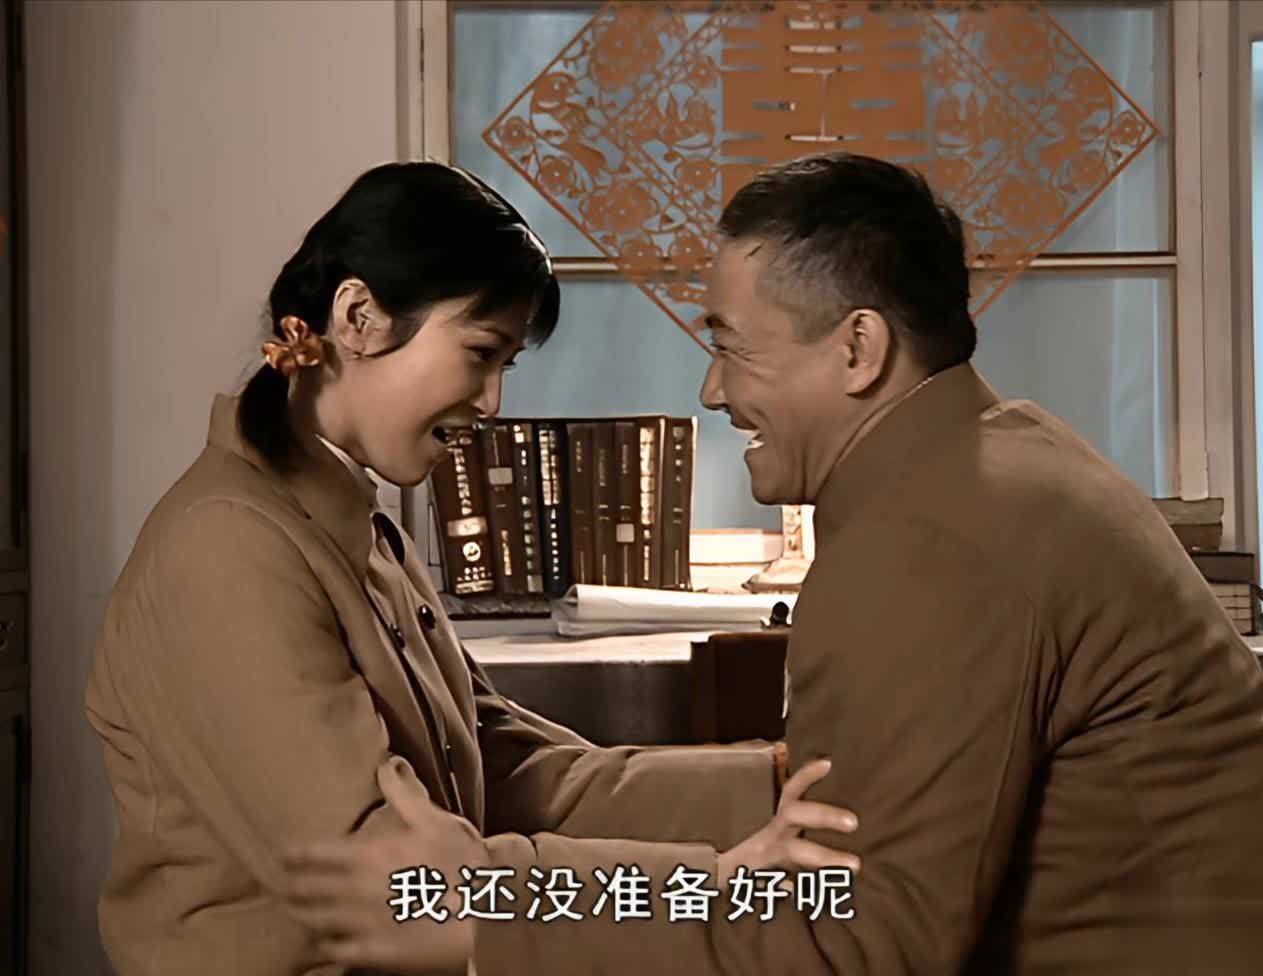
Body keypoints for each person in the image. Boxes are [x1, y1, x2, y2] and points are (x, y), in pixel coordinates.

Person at [285, 153, 1263, 973]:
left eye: (729, 346)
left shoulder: (930, 543)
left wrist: (485, 909)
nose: (711, 391)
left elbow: (861, 939)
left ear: (857, 349)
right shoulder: (992, 460)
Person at [84, 161, 859, 976]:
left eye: (505, 366)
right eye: (481, 352)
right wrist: (716, 885)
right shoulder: (225, 548)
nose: (492, 403)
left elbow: (508, 771)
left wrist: (773, 785)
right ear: (357, 318)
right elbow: (390, 880)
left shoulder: (359, 529)